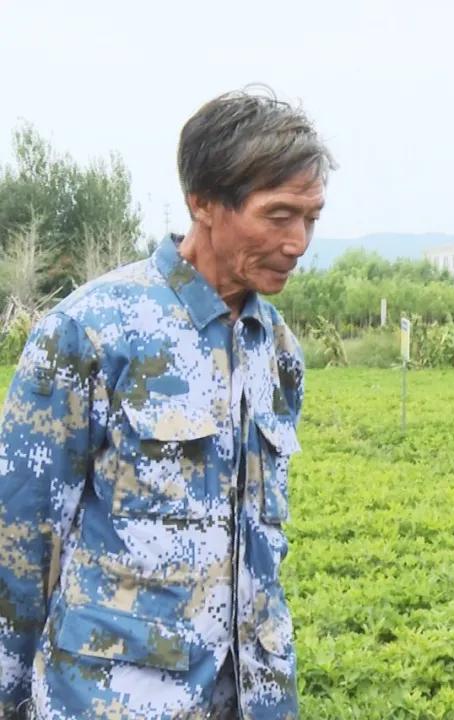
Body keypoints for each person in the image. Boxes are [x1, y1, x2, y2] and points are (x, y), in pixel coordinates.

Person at [0, 87, 333, 719]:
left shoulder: (278, 349)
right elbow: (21, 540)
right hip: (113, 699)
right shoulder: (93, 331)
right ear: (203, 202)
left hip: (250, 697)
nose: (298, 242)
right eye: (279, 215)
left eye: (311, 217)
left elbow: (263, 542)